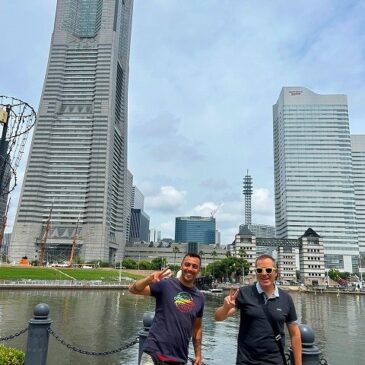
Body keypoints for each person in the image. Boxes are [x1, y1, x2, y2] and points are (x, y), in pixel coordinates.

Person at [214, 254, 302, 365]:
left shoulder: (286, 299)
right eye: (260, 270)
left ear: (276, 272)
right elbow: (218, 317)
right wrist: (225, 308)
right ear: (256, 273)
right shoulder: (244, 293)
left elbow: (295, 334)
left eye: (268, 270)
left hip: (275, 361)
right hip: (246, 361)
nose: (264, 274)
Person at [129, 253, 204, 365]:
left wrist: (198, 355)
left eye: (194, 266)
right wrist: (149, 279)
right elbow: (133, 289)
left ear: (198, 270)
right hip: (154, 354)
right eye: (187, 264)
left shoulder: (200, 297)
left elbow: (197, 328)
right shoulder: (166, 285)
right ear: (181, 266)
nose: (190, 269)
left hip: (179, 359)